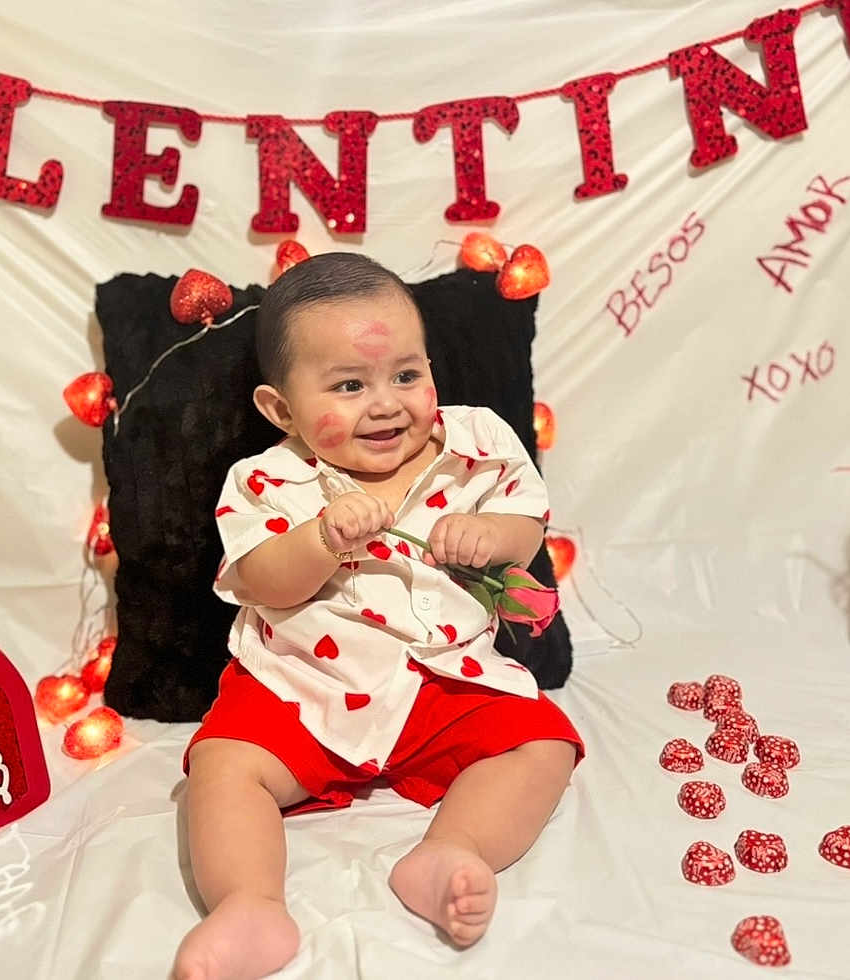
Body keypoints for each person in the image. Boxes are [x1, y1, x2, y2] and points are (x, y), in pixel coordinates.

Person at [172, 252, 585, 980]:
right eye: (349, 385)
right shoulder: (267, 479)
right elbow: (264, 582)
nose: (387, 402)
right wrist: (321, 538)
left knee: (543, 745)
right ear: (281, 409)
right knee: (223, 764)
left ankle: (450, 850)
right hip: (301, 683)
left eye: (405, 375)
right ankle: (249, 902)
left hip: (443, 678)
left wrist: (497, 538)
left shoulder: (477, 445)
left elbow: (525, 518)